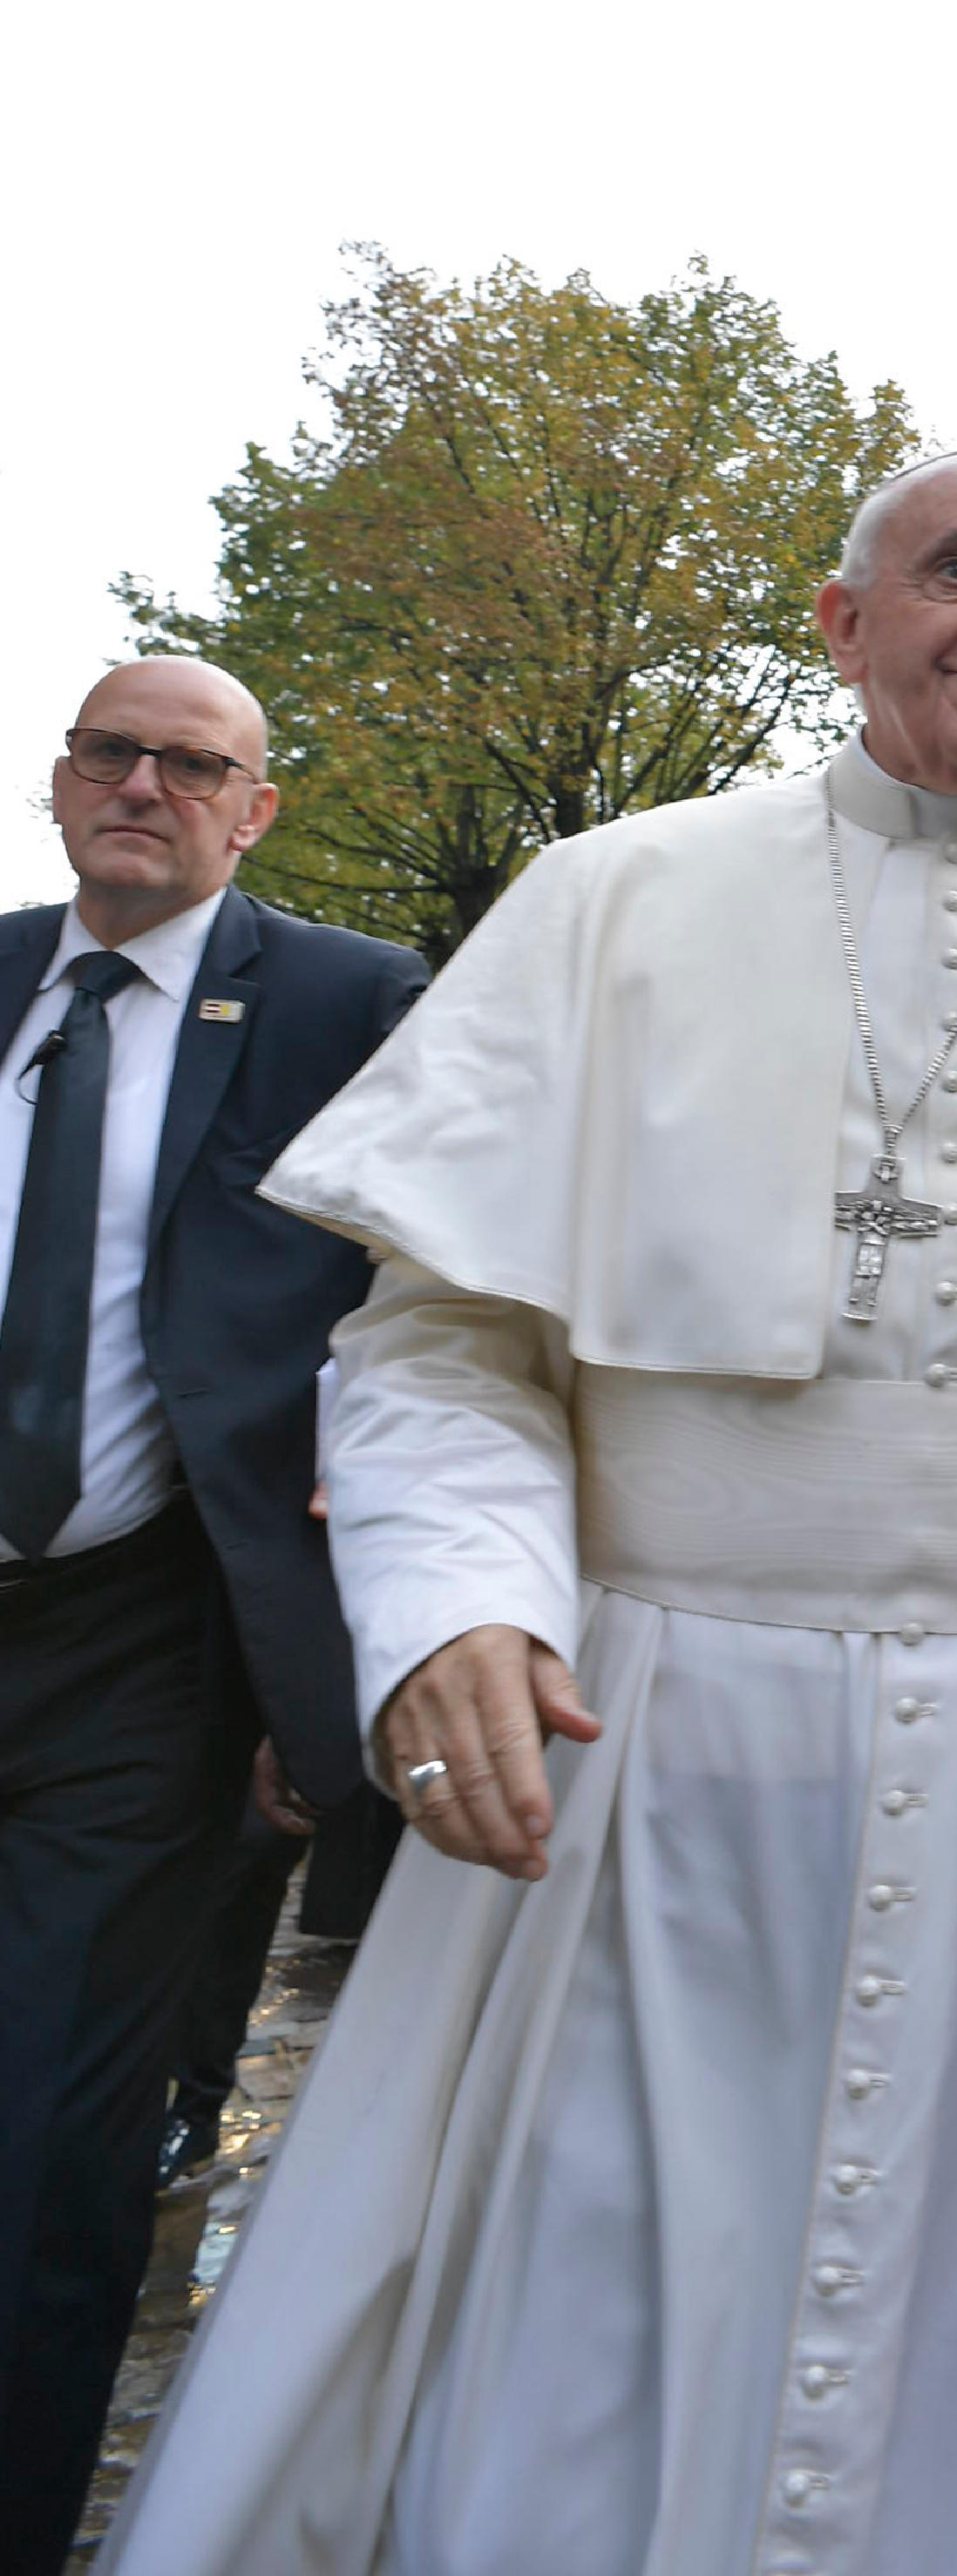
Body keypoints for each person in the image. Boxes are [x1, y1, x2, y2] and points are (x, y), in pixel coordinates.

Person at [101, 452, 957, 2576]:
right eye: (953, 570)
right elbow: (438, 1345)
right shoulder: (613, 899)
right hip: (659, 1766)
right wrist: (457, 1609)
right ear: (840, 622)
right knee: (596, 2319)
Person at [0, 658, 425, 2576]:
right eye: (114, 751)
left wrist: (339, 1643)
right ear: (59, 778)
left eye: (194, 765)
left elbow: (422, 1321)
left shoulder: (347, 1004)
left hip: (140, 1651)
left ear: (256, 810)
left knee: (53, 2151)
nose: (145, 785)